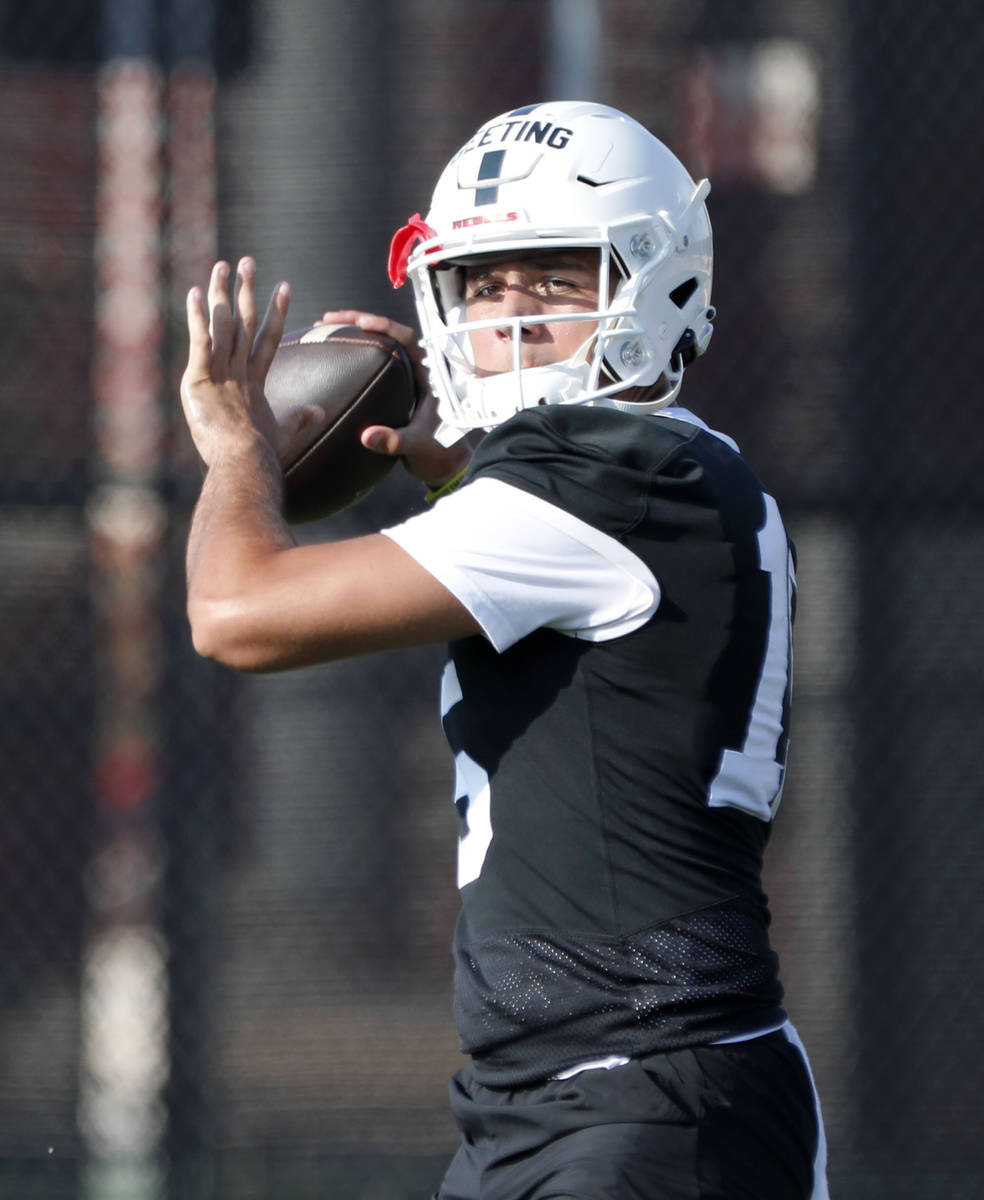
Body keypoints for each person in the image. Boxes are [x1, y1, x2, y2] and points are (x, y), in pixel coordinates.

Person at [180, 101, 829, 1199]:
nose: (512, 317)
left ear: (656, 278)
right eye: (484, 285)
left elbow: (237, 613)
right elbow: (583, 621)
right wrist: (456, 473)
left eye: (555, 281)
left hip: (645, 1105)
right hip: (583, 1096)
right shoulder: (664, 470)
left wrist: (235, 448)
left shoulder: (605, 481)